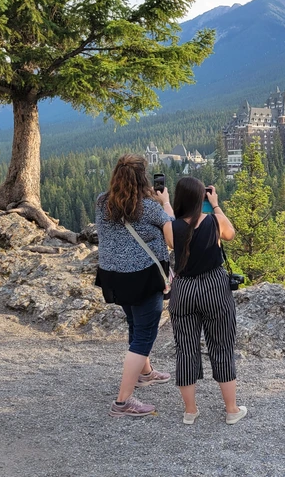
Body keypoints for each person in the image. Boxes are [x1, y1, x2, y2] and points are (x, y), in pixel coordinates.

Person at [96, 154, 175, 418]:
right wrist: (165, 203)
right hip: (144, 278)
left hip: (114, 277)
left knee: (135, 324)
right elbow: (175, 238)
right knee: (143, 335)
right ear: (143, 179)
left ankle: (145, 373)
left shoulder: (102, 202)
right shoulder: (150, 208)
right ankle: (123, 401)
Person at [167, 177, 246, 425]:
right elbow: (231, 234)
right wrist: (216, 205)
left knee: (186, 349)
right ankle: (231, 409)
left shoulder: (171, 227)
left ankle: (190, 411)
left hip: (184, 290)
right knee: (222, 346)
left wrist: (165, 202)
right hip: (214, 286)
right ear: (202, 197)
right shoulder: (215, 221)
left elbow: (173, 236)